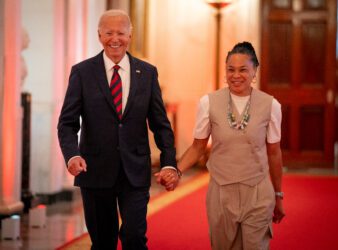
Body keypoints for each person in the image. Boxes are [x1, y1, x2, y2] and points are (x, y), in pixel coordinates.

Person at [57, 9, 180, 250]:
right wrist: (72, 155)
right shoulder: (82, 72)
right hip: (94, 172)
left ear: (130, 34)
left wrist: (168, 163)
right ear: (99, 35)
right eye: (109, 33)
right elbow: (67, 123)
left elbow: (161, 125)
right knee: (103, 242)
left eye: (121, 33)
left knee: (134, 237)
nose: (115, 38)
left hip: (135, 172)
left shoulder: (147, 73)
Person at [168, 41, 285, 249]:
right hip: (221, 193)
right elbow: (198, 147)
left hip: (258, 192)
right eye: (231, 70)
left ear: (254, 71)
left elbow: (274, 153)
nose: (236, 75)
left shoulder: (271, 105)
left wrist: (278, 195)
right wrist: (177, 172)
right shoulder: (208, 102)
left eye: (243, 70)